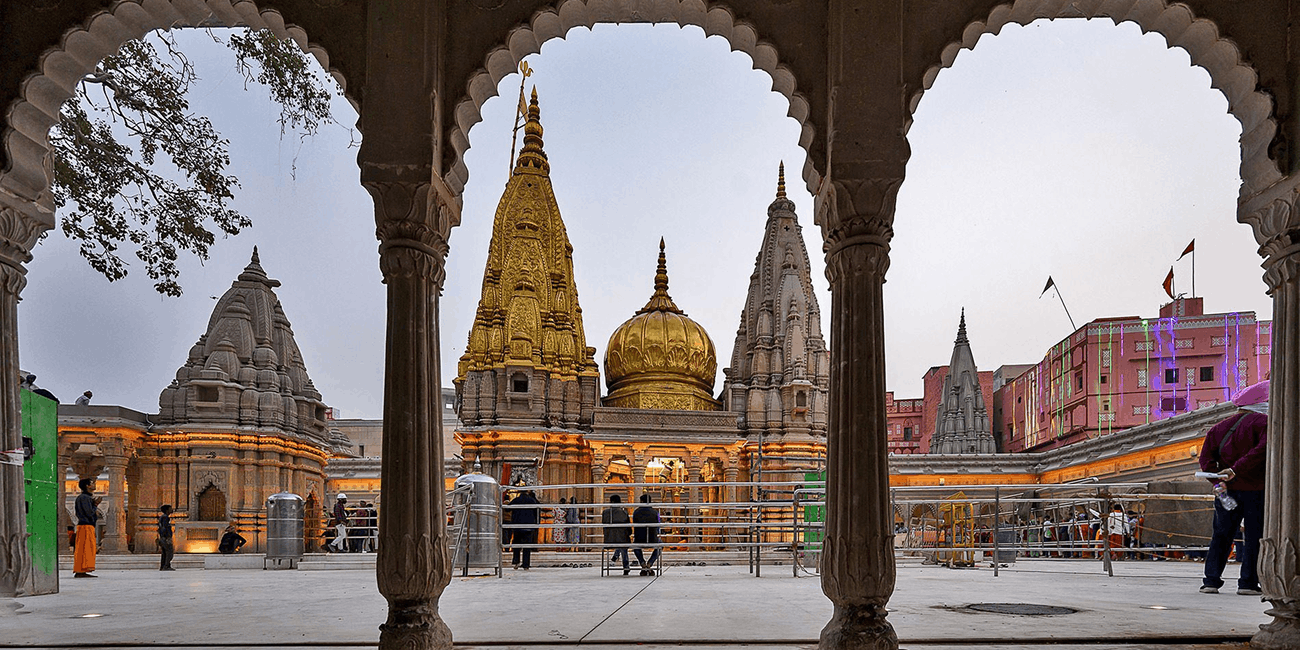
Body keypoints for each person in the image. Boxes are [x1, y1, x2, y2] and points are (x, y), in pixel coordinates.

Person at [1199, 392, 1267, 595]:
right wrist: (1236, 469)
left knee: (1221, 534)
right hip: (1257, 490)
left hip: (1226, 491)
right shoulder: (1264, 423)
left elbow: (1205, 460)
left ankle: (1211, 581)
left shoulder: (1217, 428)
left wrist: (1218, 482)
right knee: (1255, 537)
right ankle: (1248, 583)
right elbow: (1262, 450)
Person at [73, 478, 100, 578]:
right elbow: (89, 513)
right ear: (87, 486)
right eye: (92, 483)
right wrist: (95, 505)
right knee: (86, 548)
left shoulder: (84, 497)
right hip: (86, 525)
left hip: (84, 526)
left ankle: (81, 570)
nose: (94, 485)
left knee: (84, 548)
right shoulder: (84, 498)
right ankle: (81, 570)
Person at [509, 488, 540, 570]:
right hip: (528, 527)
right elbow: (536, 511)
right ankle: (526, 564)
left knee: (516, 545)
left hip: (517, 526)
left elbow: (507, 508)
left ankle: (516, 562)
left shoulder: (516, 500)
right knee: (527, 546)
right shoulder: (532, 500)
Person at [601, 494, 632, 575]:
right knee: (623, 543)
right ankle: (626, 566)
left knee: (619, 539)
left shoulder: (605, 512)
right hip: (622, 539)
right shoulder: (624, 512)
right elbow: (629, 528)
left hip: (609, 539)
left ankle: (615, 557)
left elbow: (604, 524)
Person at [632, 494, 661, 576]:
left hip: (639, 538)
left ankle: (642, 563)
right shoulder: (655, 512)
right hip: (652, 538)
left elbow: (634, 524)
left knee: (635, 546)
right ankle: (650, 563)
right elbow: (658, 525)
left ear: (641, 501)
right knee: (660, 545)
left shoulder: (636, 512)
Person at [157, 504, 175, 570]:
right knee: (169, 552)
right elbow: (164, 528)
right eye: (170, 508)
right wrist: (166, 537)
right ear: (167, 510)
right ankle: (166, 566)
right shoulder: (165, 517)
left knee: (164, 552)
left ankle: (163, 566)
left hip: (163, 537)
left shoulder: (163, 517)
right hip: (165, 537)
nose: (172, 509)